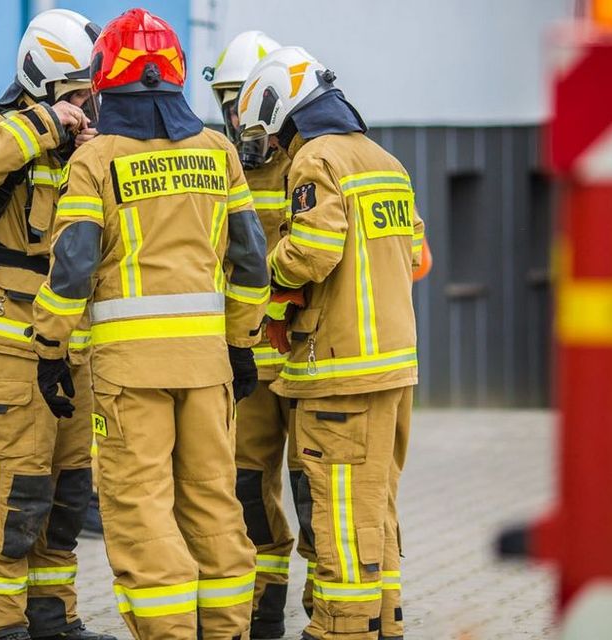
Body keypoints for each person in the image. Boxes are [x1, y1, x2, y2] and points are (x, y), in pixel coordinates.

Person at [30, 8, 268, 639]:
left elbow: (73, 266)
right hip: (208, 368)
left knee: (142, 512)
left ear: (106, 77)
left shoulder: (97, 159)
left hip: (129, 376)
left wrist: (49, 348)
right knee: (215, 506)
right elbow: (251, 258)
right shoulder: (217, 150)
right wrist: (242, 344)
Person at [238, 47, 424, 640]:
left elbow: (313, 252)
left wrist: (263, 277)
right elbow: (416, 255)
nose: (271, 143)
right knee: (376, 507)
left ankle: (342, 629)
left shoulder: (316, 159)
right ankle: (382, 622)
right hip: (394, 369)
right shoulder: (385, 161)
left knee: (339, 510)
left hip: (339, 371)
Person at [0, 9, 112, 640]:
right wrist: (44, 125)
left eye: (88, 91)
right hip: (4, 347)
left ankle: (52, 616)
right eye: (75, 92)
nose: (86, 102)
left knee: (67, 494)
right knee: (12, 490)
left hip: (72, 348)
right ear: (42, 83)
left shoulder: (91, 143)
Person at [206, 29, 302, 638]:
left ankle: (341, 613)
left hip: (310, 361)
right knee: (245, 488)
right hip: (247, 361)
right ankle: (264, 608)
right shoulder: (217, 165)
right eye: (225, 99)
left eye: (243, 98)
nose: (235, 114)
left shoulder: (308, 162)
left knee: (321, 491)